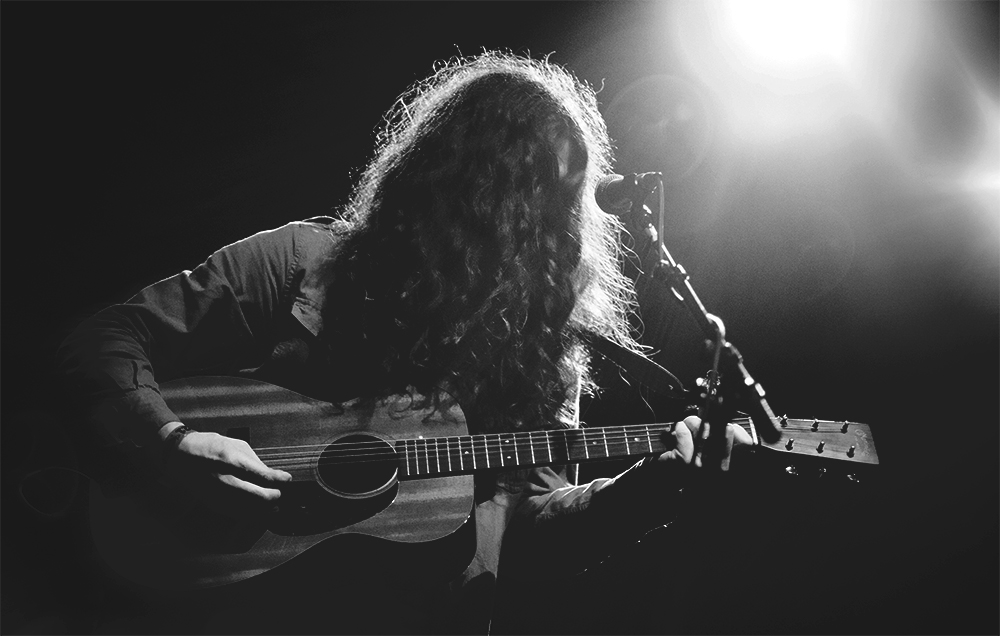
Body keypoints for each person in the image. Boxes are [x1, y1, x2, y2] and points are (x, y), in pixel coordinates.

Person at [57, 52, 750, 634]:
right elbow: (107, 340)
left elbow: (535, 534)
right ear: (456, 186)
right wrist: (172, 441)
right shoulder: (302, 262)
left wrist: (655, 487)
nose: (548, 237)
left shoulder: (541, 349)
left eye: (560, 213)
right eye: (521, 201)